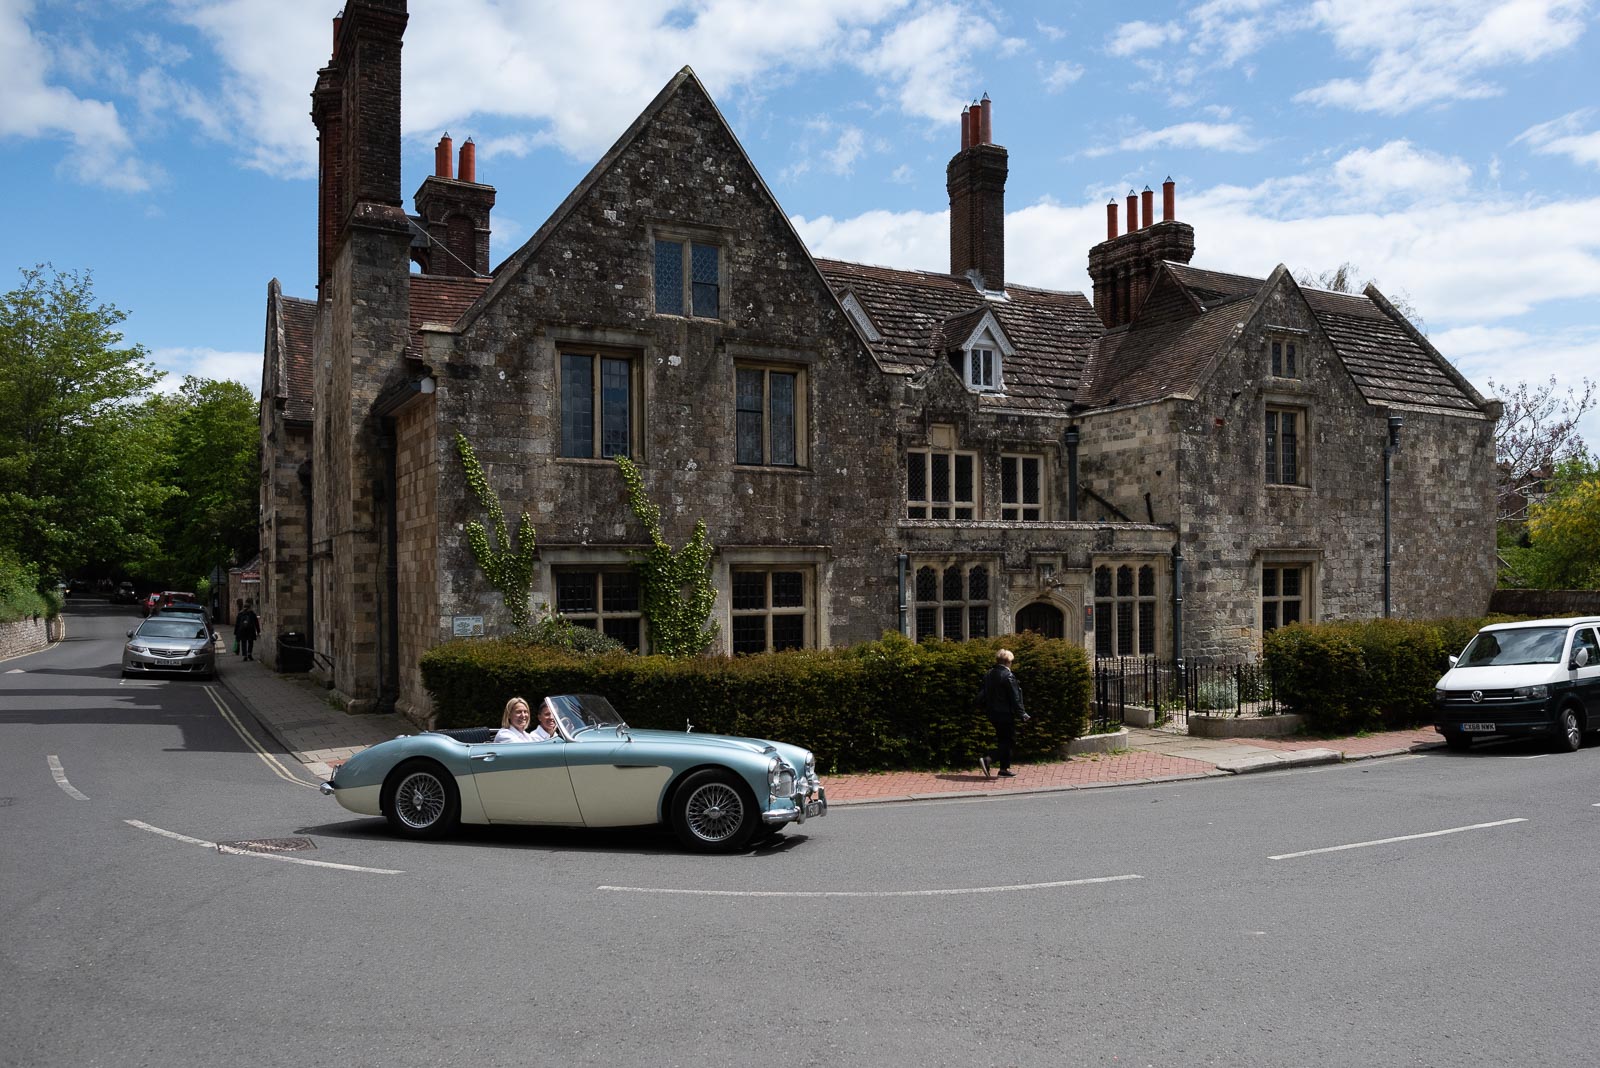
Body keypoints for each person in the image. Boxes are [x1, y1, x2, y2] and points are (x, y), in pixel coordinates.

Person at [977, 648, 1029, 779]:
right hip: (1005, 713)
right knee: (1010, 741)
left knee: (1003, 740)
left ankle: (1004, 769)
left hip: (992, 713)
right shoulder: (1008, 676)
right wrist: (1022, 713)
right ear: (1008, 662)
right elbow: (1015, 697)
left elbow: (982, 694)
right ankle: (989, 759)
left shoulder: (989, 674)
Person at [493, 697, 558, 743]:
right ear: (509, 715)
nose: (523, 715)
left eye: (525, 712)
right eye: (518, 712)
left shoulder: (526, 736)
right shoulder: (504, 735)